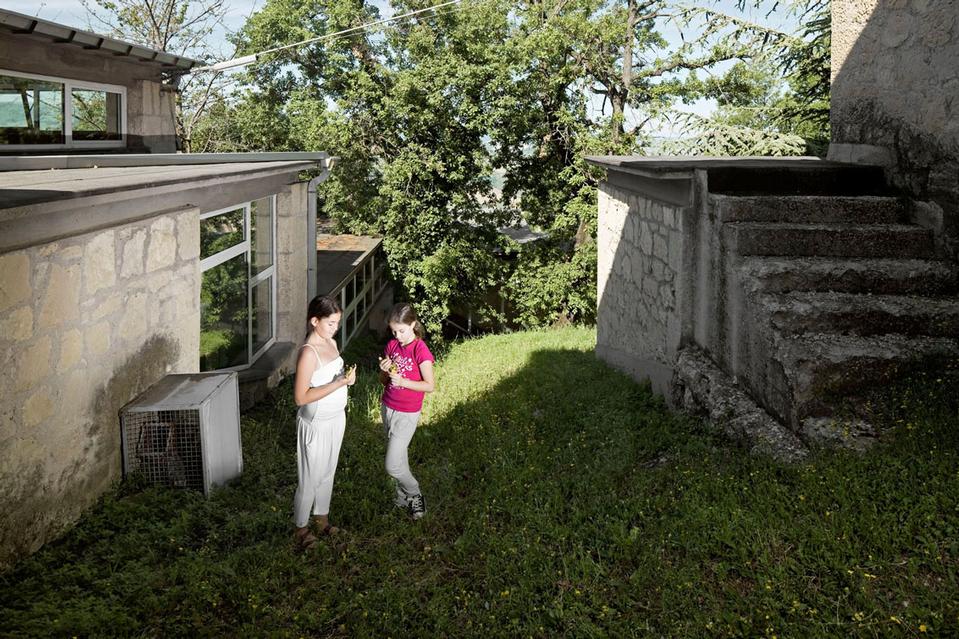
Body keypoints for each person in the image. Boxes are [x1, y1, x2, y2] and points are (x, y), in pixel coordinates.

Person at [292, 295, 356, 550]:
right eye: (330, 323)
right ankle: (300, 529)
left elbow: (334, 377)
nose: (335, 328)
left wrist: (346, 379)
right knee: (310, 477)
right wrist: (337, 383)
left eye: (337, 323)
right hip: (316, 423)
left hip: (335, 418)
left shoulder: (330, 341)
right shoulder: (308, 353)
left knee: (328, 472)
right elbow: (300, 397)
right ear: (314, 321)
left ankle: (321, 520)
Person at [378, 302, 435, 519]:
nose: (398, 336)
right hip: (388, 406)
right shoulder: (392, 346)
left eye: (401, 330)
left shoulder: (420, 350)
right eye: (394, 331)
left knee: (392, 466)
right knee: (399, 456)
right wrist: (384, 371)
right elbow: (384, 381)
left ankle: (415, 493)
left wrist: (403, 380)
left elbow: (429, 385)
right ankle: (404, 498)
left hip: (407, 412)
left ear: (412, 324)